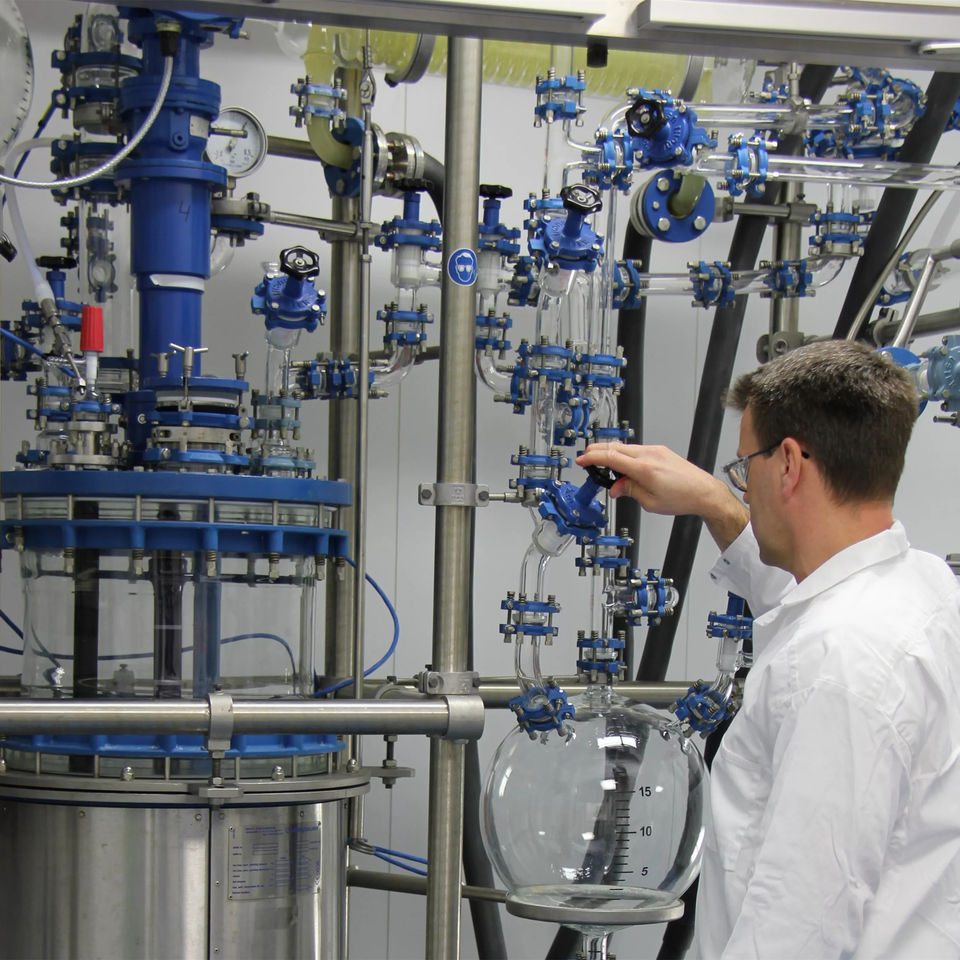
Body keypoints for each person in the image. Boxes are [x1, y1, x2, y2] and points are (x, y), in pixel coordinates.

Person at [577, 340, 960, 959]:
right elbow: (803, 600)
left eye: (744, 467)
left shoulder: (839, 663)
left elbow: (799, 923)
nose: (744, 487)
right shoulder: (921, 585)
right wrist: (713, 501)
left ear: (788, 463)